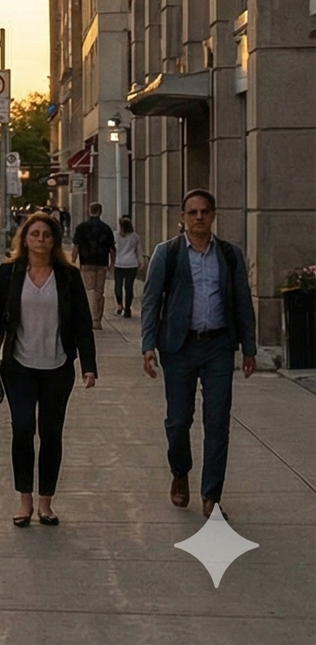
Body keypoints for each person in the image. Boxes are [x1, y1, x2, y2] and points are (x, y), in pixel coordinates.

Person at [140, 188, 258, 517]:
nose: (199, 218)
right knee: (178, 422)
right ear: (182, 217)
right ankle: (180, 473)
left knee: (217, 421)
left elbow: (243, 303)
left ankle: (211, 494)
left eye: (204, 212)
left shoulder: (230, 255)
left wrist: (249, 347)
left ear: (213, 215)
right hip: (179, 347)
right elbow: (151, 300)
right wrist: (147, 344)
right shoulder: (169, 253)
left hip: (219, 346)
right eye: (192, 212)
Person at [0, 213, 98, 527]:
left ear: (54, 241)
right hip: (18, 367)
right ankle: (24, 501)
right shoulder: (9, 273)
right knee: (21, 430)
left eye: (47, 235)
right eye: (35, 234)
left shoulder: (68, 276)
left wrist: (89, 365)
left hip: (58, 368)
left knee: (50, 434)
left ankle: (46, 503)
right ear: (25, 239)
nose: (41, 240)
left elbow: (83, 323)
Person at [71, 202, 115, 323]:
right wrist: (112, 263)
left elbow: (76, 246)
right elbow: (112, 248)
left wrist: (73, 260)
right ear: (100, 212)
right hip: (102, 262)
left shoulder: (81, 228)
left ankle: (91, 316)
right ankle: (97, 318)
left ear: (89, 210)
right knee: (99, 290)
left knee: (89, 289)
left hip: (86, 262)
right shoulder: (106, 228)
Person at [111, 216, 143, 318]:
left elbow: (112, 250)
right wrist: (141, 261)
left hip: (119, 263)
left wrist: (110, 262)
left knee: (118, 285)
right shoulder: (135, 237)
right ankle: (128, 308)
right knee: (129, 287)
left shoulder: (116, 235)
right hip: (131, 263)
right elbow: (138, 251)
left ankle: (120, 305)